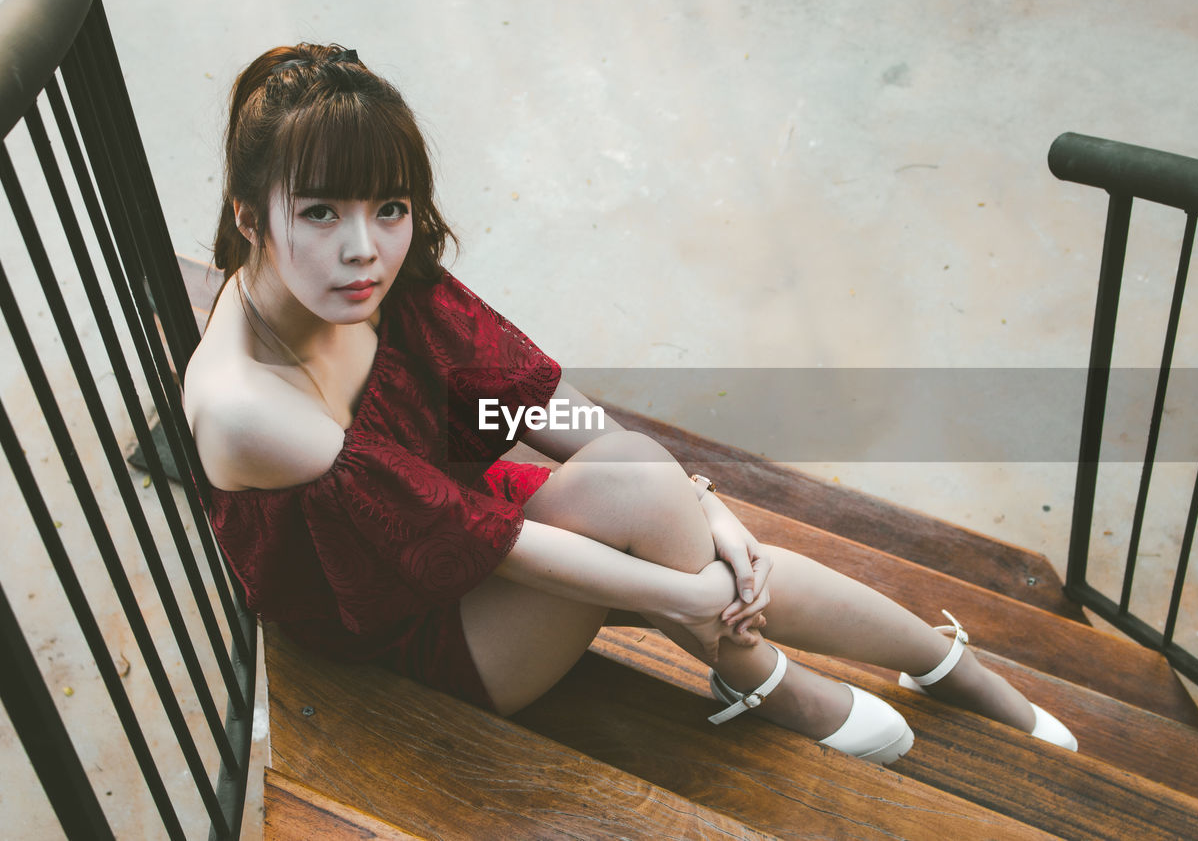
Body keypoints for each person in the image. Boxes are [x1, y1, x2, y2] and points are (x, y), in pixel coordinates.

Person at [183, 42, 1076, 764]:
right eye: (321, 213)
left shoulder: (372, 281)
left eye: (389, 206)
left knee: (647, 488)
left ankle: (941, 661)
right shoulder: (246, 406)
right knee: (666, 534)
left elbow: (521, 405)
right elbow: (502, 547)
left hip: (464, 531)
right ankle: (763, 675)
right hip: (408, 632)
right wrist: (693, 594)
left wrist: (706, 507)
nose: (364, 248)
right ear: (251, 215)